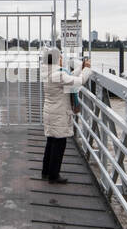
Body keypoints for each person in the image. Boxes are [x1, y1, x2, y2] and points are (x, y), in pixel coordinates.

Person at [39, 46, 92, 184]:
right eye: (61, 57)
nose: (62, 59)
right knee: (59, 144)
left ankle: (46, 172)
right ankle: (54, 175)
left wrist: (80, 67)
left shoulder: (49, 72)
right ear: (57, 59)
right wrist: (87, 69)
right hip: (59, 113)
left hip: (50, 112)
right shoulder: (58, 75)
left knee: (51, 142)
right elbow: (79, 81)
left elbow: (69, 77)